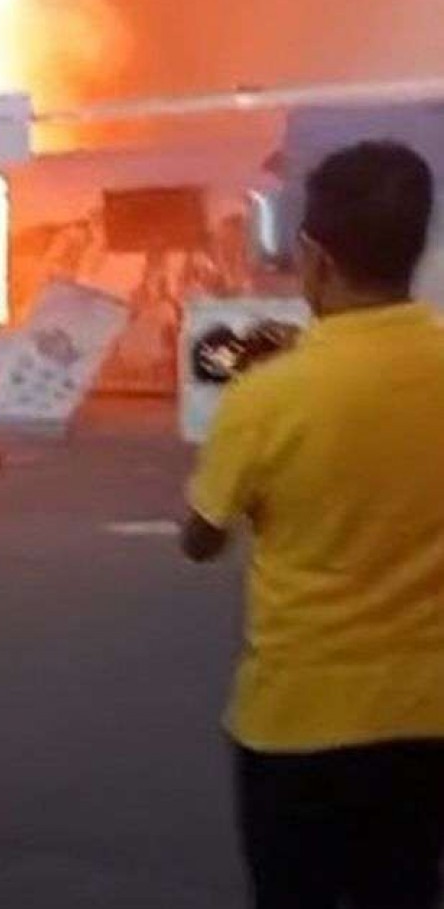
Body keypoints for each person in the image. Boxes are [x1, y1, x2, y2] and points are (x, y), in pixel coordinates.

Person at [182, 140, 444, 909]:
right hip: (430, 711)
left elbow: (200, 537)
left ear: (313, 257)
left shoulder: (267, 394)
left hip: (298, 718)